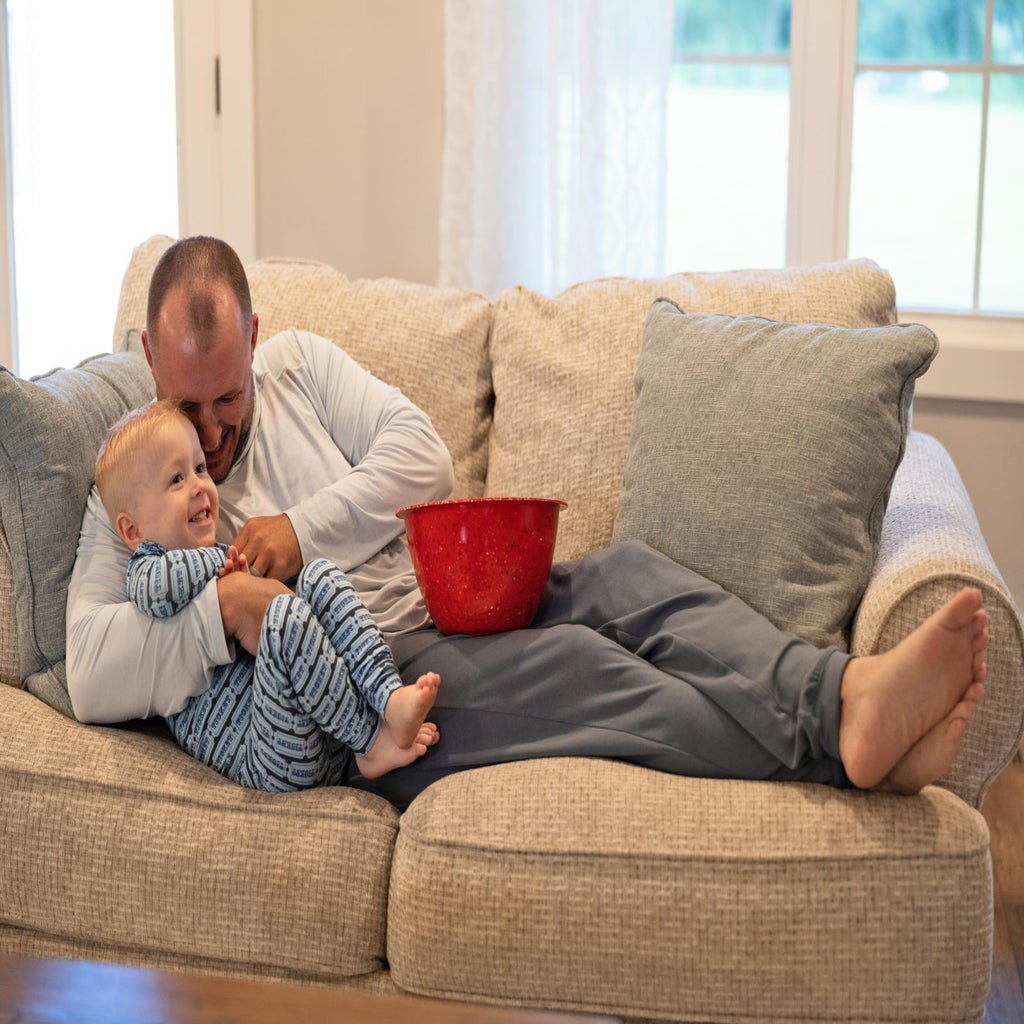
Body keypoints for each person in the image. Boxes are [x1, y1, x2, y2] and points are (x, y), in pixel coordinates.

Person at [67, 236, 989, 811]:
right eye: (189, 401)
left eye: (228, 397)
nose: (212, 433)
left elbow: (420, 458)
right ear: (147, 355)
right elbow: (91, 669)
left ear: (256, 337)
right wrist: (230, 603)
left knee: (627, 574)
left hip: (449, 598)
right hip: (380, 676)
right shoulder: (137, 465)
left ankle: (848, 696)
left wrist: (302, 530)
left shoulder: (301, 366)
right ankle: (843, 747)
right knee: (594, 673)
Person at [92, 398, 441, 790]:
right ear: (133, 530)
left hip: (315, 725)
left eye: (200, 468)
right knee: (282, 616)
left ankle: (388, 698)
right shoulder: (147, 568)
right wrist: (225, 567)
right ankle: (371, 742)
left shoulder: (212, 559)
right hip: (268, 759)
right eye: (176, 480)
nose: (198, 486)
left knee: (320, 575)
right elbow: (159, 590)